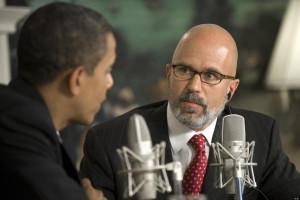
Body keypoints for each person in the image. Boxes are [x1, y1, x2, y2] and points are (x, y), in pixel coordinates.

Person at [79, 24, 300, 199]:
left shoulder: (261, 134)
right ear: (169, 74)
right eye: (184, 70)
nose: (194, 86)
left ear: (231, 89)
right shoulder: (108, 142)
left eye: (211, 75)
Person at [0, 2, 116, 200]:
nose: (110, 82)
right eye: (107, 71)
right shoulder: (15, 130)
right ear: (77, 79)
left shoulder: (40, 122)